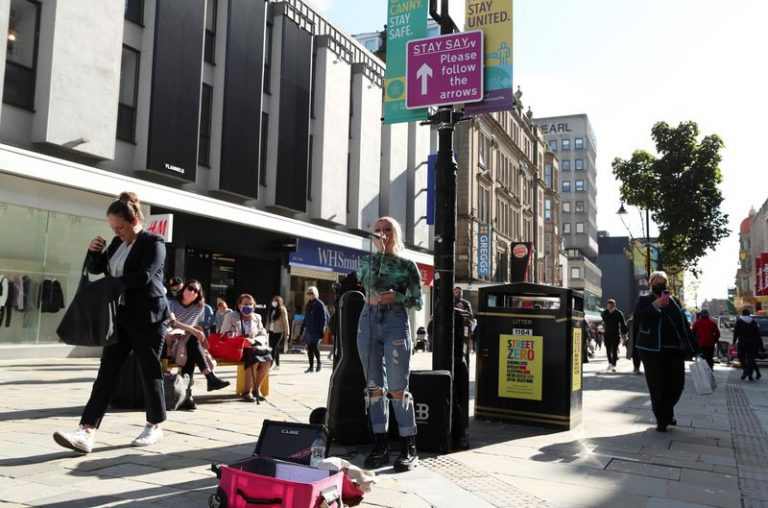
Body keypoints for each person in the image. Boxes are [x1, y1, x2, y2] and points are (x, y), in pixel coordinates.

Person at [53, 192, 170, 453]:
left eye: (120, 227)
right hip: (121, 318)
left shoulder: (154, 242)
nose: (117, 233)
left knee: (148, 369)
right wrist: (94, 254)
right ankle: (86, 431)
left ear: (134, 220)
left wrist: (111, 285)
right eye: (113, 228)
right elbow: (100, 270)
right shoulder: (117, 244)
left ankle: (154, 425)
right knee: (107, 372)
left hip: (149, 318)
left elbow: (144, 277)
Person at [357, 216, 422, 472]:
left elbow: (417, 301)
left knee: (397, 386)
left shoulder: (407, 265)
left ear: (396, 233)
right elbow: (367, 284)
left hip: (395, 319)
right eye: (378, 231)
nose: (382, 234)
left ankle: (409, 446)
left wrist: (398, 296)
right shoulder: (366, 263)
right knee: (374, 386)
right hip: (368, 320)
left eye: (387, 230)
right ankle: (380, 445)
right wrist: (380, 253)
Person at [633, 271, 696, 432]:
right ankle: (662, 419)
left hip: (674, 349)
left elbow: (682, 324)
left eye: (664, 282)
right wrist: (655, 306)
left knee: (677, 385)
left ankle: (667, 411)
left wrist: (695, 347)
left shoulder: (674, 301)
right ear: (651, 283)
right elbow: (639, 318)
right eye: (658, 283)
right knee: (657, 385)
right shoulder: (644, 300)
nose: (662, 285)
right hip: (651, 349)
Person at [166, 279, 230, 410]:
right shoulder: (171, 303)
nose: (192, 292)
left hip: (188, 344)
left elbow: (194, 325)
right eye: (190, 288)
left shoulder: (199, 307)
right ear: (183, 289)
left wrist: (195, 331)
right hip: (173, 341)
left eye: (196, 291)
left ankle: (187, 396)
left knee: (191, 348)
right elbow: (173, 323)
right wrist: (194, 331)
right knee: (192, 340)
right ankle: (209, 377)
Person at [220, 294, 273, 401]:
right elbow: (223, 333)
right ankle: (246, 390)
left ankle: (256, 389)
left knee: (268, 359)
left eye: (250, 304)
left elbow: (263, 334)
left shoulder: (257, 318)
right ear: (239, 305)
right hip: (236, 348)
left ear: (253, 306)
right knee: (254, 358)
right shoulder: (231, 316)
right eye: (245, 304)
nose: (248, 306)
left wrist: (254, 340)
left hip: (252, 346)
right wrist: (239, 339)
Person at [300, 286, 327, 373]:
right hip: (309, 329)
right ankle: (311, 367)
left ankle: (319, 363)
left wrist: (322, 329)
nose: (310, 295)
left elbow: (324, 318)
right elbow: (306, 317)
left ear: (315, 294)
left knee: (314, 347)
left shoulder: (320, 304)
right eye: (308, 293)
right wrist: (302, 327)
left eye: (311, 293)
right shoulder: (308, 305)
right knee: (309, 348)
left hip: (316, 329)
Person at [733, 308, 763, 381]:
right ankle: (750, 375)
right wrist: (760, 345)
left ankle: (746, 371)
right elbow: (757, 334)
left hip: (742, 343)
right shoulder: (753, 322)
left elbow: (736, 333)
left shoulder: (739, 321)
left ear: (742, 314)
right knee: (751, 359)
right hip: (752, 344)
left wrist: (734, 342)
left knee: (741, 357)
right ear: (749, 314)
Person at [600, 299, 628, 372]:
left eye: (612, 306)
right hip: (607, 334)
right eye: (609, 306)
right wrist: (610, 313)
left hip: (616, 334)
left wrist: (624, 333)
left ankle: (614, 364)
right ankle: (610, 362)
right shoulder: (605, 312)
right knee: (608, 349)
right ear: (607, 306)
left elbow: (622, 323)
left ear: (614, 305)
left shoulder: (619, 313)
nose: (610, 307)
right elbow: (605, 320)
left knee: (614, 350)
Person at [266, 295, 290, 371]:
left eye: (276, 301)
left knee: (274, 347)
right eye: (273, 301)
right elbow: (268, 321)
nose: (274, 302)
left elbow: (286, 322)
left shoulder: (282, 309)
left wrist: (287, 333)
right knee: (274, 348)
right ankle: (278, 364)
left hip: (279, 331)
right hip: (271, 330)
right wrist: (265, 330)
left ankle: (269, 365)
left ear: (279, 302)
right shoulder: (271, 309)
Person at [454, 286, 474, 352]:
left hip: (463, 326)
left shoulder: (466, 303)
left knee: (464, 344)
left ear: (462, 293)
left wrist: (462, 309)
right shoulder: (450, 302)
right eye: (456, 292)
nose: (458, 294)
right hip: (453, 326)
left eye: (460, 292)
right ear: (454, 293)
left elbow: (471, 315)